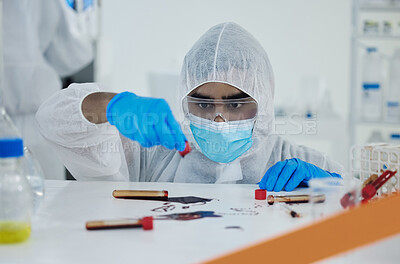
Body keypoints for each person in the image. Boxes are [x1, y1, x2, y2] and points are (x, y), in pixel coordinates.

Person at [35, 22, 342, 190]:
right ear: (184, 101)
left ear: (263, 103)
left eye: (236, 105)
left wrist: (331, 190)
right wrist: (111, 106)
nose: (219, 120)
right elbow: (53, 122)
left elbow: (374, 206)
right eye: (204, 105)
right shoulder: (153, 156)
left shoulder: (295, 162)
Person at [3, 0, 94, 180]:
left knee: (42, 202)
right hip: (27, 113)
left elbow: (69, 55)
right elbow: (69, 55)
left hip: (36, 120)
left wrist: (77, 9)